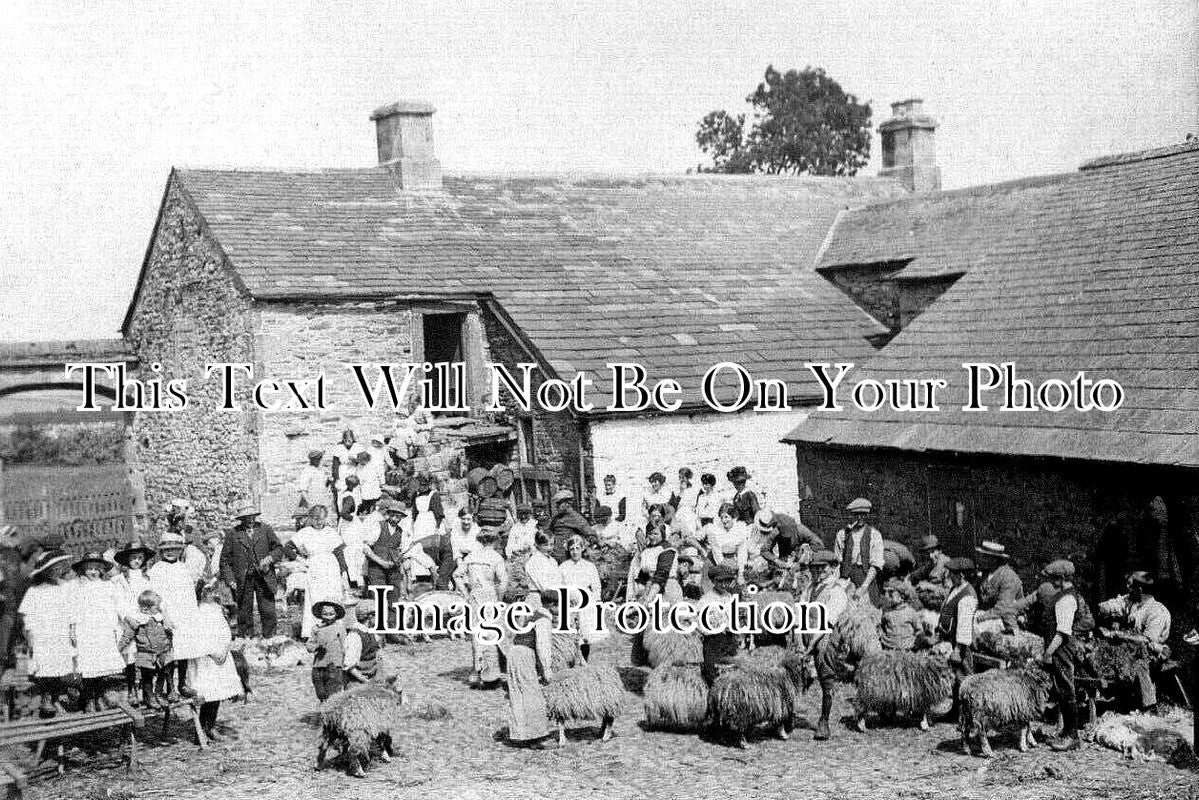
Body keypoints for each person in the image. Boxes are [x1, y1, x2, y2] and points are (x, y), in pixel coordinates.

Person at [1041, 559, 1095, 751]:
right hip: (1060, 649)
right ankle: (1065, 732)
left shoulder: (1066, 599)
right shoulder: (1063, 595)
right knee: (1061, 690)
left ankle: (1072, 735)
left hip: (1061, 648)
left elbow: (1063, 631)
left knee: (1066, 689)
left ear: (1063, 578)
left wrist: (1048, 652)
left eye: (1054, 578)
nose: (1052, 581)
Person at [1099, 571, 1171, 710]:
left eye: (1130, 585)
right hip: (1131, 649)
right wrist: (1108, 612)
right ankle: (1116, 696)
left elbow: (1146, 640)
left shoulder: (1157, 611)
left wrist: (1117, 634)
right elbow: (1112, 605)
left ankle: (1149, 705)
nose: (1127, 587)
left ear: (1140, 590)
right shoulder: (1133, 603)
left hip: (1153, 652)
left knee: (1138, 663)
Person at [148, 531, 207, 698]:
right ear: (161, 551)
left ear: (180, 550)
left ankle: (182, 683)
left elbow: (189, 594)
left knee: (184, 651)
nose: (170, 552)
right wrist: (163, 617)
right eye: (167, 549)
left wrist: (192, 615)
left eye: (174, 548)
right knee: (168, 653)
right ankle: (170, 687)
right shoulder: (157, 569)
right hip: (167, 615)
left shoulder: (183, 568)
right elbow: (155, 596)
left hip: (184, 615)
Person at [800, 550, 850, 741]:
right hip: (807, 632)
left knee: (826, 678)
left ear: (832, 568)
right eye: (815, 568)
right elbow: (801, 611)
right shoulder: (809, 588)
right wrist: (800, 637)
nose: (818, 571)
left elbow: (828, 621)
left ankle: (824, 720)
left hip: (825, 637)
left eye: (823, 567)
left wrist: (812, 644)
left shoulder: (836, 591)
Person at [19, 550, 76, 716]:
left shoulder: (64, 588)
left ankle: (56, 698)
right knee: (45, 669)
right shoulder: (35, 591)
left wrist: (72, 630)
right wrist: (29, 635)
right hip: (42, 634)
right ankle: (46, 699)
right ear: (45, 571)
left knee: (59, 669)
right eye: (52, 569)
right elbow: (27, 616)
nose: (56, 572)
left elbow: (71, 611)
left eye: (59, 568)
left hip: (60, 633)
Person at [70, 552, 128, 710]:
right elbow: (74, 610)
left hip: (103, 630)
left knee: (101, 667)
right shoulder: (78, 587)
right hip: (86, 630)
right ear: (83, 570)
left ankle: (98, 696)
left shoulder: (109, 586)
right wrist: (73, 630)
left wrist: (121, 625)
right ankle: (88, 699)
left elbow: (117, 606)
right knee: (89, 666)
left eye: (97, 568)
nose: (93, 572)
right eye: (89, 569)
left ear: (102, 569)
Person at [219, 502, 284, 639]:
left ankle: (270, 638)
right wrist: (230, 580)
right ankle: (247, 639)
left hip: (264, 576)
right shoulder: (233, 534)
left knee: (268, 609)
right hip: (243, 578)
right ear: (241, 519)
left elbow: (279, 549)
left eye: (252, 516)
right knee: (244, 610)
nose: (250, 519)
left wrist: (269, 558)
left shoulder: (265, 529)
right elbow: (224, 561)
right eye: (247, 517)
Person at [190, 580, 244, 742]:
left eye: (213, 591)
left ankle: (210, 726)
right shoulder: (198, 612)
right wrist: (213, 653)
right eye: (206, 592)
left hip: (222, 656)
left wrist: (225, 648)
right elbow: (199, 636)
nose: (210, 594)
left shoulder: (218, 610)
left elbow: (225, 632)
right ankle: (200, 729)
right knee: (207, 694)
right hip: (207, 658)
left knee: (218, 693)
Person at [504, 589, 557, 749]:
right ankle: (538, 738)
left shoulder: (531, 615)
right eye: (559, 607)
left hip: (513, 653)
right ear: (552, 605)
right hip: (525, 654)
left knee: (517, 694)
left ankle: (520, 735)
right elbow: (542, 645)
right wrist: (547, 669)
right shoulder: (544, 619)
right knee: (533, 695)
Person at [289, 505, 352, 640]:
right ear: (310, 518)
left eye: (321, 519)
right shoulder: (305, 532)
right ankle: (313, 631)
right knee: (316, 598)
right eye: (316, 519)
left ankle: (335, 629)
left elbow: (339, 552)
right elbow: (287, 548)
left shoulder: (330, 532)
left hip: (331, 568)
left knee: (332, 596)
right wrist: (300, 559)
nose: (319, 522)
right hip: (315, 567)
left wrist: (344, 572)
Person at [455, 529, 508, 687]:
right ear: (495, 541)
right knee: (491, 635)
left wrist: (465, 593)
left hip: (475, 596)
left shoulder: (471, 556)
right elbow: (503, 581)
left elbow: (457, 575)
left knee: (476, 634)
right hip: (490, 595)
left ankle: (475, 672)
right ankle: (489, 675)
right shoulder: (496, 558)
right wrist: (499, 598)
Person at [111, 541, 155, 703]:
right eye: (133, 558)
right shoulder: (119, 580)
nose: (137, 561)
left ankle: (147, 692)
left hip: (143, 620)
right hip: (128, 621)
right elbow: (117, 601)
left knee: (145, 654)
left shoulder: (147, 579)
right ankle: (131, 691)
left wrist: (147, 616)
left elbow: (151, 599)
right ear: (126, 560)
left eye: (140, 558)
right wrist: (127, 617)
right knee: (129, 657)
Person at [118, 589, 172, 709]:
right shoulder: (139, 620)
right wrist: (119, 647)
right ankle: (149, 697)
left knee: (162, 673)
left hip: (162, 651)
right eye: (155, 606)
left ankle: (158, 694)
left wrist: (169, 640)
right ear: (145, 608)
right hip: (145, 653)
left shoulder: (160, 617)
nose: (158, 608)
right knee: (147, 677)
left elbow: (169, 631)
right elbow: (128, 635)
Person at [832, 498, 885, 607]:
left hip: (866, 579)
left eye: (863, 514)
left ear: (868, 515)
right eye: (856, 514)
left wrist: (863, 588)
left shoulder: (875, 535)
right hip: (846, 579)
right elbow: (837, 562)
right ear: (851, 515)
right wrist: (837, 583)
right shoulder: (842, 534)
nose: (860, 517)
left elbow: (876, 565)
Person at [559, 535, 603, 660]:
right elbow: (560, 585)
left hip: (586, 602)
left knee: (585, 632)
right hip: (569, 601)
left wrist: (596, 601)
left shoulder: (589, 566)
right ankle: (571, 658)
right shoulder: (563, 567)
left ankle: (584, 659)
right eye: (572, 549)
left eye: (577, 548)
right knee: (571, 631)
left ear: (582, 549)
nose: (575, 552)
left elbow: (596, 586)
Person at [939, 557, 977, 679]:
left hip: (960, 649)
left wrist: (957, 650)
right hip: (949, 641)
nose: (949, 576)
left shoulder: (967, 596)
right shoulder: (955, 589)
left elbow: (964, 626)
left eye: (952, 573)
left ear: (961, 575)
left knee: (961, 679)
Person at [756, 508, 823, 578]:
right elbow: (764, 550)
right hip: (785, 561)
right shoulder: (776, 532)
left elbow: (819, 544)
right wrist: (777, 561)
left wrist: (805, 556)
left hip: (804, 562)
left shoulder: (801, 530)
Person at [975, 541, 1024, 631]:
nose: (981, 559)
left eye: (985, 557)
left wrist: (983, 616)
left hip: (1006, 618)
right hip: (989, 614)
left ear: (995, 559)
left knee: (975, 629)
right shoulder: (986, 573)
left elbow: (1003, 606)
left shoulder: (1008, 576)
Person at [307, 600, 347, 702]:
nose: (328, 617)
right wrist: (317, 647)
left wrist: (344, 663)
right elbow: (309, 645)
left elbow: (345, 646)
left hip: (335, 666)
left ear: (336, 614)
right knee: (321, 694)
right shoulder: (316, 629)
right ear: (320, 615)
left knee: (333, 696)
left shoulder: (339, 628)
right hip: (319, 666)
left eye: (331, 614)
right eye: (325, 614)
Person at [703, 503, 751, 581]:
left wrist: (740, 573)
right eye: (722, 517)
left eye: (726, 517)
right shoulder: (715, 531)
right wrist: (725, 571)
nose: (724, 520)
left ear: (733, 517)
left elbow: (742, 552)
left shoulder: (740, 529)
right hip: (716, 560)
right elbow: (717, 553)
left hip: (733, 559)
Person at [343, 601, 381, 685]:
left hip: (371, 675)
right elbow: (349, 665)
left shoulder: (370, 631)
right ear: (370, 617)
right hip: (357, 681)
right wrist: (363, 679)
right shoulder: (355, 636)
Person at [880, 578, 923, 651]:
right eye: (887, 593)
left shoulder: (910, 612)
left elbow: (919, 630)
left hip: (906, 648)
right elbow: (882, 625)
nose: (888, 596)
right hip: (888, 646)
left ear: (902, 597)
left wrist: (913, 640)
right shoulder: (887, 612)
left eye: (891, 593)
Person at [548, 490, 590, 562]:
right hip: (555, 556)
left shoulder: (576, 518)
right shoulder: (555, 518)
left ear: (568, 503)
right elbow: (550, 532)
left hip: (569, 558)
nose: (556, 506)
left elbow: (589, 534)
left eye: (559, 503)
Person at [337, 496, 368, 591]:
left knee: (357, 564)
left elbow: (360, 534)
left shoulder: (354, 519)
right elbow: (339, 532)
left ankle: (359, 584)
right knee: (350, 564)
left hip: (355, 546)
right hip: (348, 546)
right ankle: (354, 583)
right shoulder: (344, 519)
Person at [330, 429, 364, 511]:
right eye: (346, 440)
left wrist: (355, 459)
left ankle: (354, 512)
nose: (348, 442)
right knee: (342, 491)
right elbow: (335, 464)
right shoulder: (339, 447)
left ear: (353, 439)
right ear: (343, 439)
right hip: (343, 471)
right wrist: (336, 478)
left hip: (354, 470)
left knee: (355, 492)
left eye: (350, 439)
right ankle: (342, 511)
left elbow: (364, 461)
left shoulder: (357, 447)